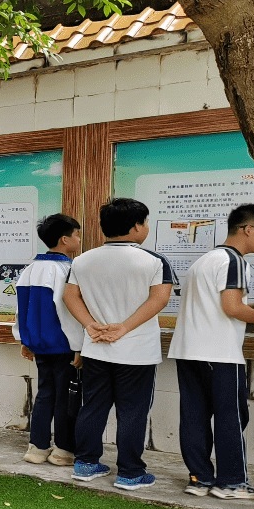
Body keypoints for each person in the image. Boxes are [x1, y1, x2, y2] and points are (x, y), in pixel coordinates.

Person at [64, 198, 175, 488]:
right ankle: (130, 472)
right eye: (146, 222)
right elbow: (160, 299)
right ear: (137, 227)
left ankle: (86, 464)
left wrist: (91, 325)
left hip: (96, 347)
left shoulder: (83, 259)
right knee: (133, 410)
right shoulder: (153, 261)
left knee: (93, 406)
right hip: (136, 352)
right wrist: (123, 328)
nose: (147, 228)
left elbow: (70, 296)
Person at [170, 204, 254, 499]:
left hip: (188, 349)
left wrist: (246, 310)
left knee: (194, 415)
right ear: (248, 230)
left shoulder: (204, 260)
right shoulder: (234, 261)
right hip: (218, 353)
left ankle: (199, 479)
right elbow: (231, 307)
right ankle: (231, 482)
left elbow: (218, 306)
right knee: (232, 416)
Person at [13, 213, 84, 466]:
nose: (79, 239)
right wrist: (78, 346)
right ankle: (63, 450)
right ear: (65, 239)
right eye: (77, 234)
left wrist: (24, 340)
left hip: (39, 344)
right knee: (65, 397)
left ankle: (37, 447)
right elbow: (68, 313)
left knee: (45, 393)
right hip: (64, 344)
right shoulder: (65, 270)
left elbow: (22, 310)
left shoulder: (30, 269)